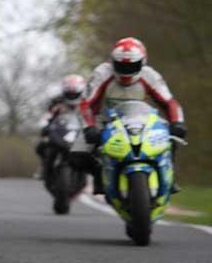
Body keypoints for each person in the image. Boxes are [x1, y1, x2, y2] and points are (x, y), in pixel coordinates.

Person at [78, 37, 187, 193]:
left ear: (142, 63)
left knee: (170, 137)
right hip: (107, 120)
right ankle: (100, 176)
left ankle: (169, 176)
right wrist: (89, 127)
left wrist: (177, 122)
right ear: (112, 62)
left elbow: (169, 102)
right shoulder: (102, 73)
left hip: (143, 119)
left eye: (131, 66)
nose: (125, 71)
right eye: (120, 65)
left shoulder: (150, 75)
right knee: (78, 155)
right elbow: (86, 104)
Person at [35, 74, 85, 181]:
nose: (72, 96)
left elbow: (94, 116)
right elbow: (47, 115)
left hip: (80, 132)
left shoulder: (87, 101)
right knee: (42, 145)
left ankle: (98, 176)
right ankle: (44, 167)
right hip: (60, 131)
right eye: (69, 94)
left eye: (74, 94)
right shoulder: (56, 101)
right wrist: (45, 126)